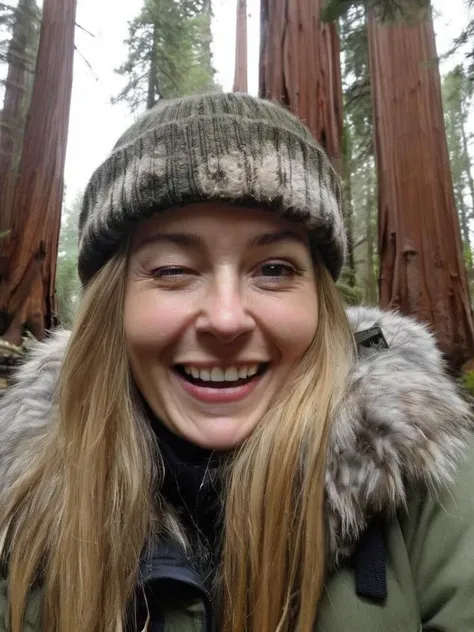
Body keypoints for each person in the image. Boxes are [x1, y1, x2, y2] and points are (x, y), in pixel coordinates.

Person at [0, 92, 473, 632]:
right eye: (174, 269)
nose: (226, 320)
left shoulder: (433, 482)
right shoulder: (17, 500)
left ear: (318, 302)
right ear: (113, 306)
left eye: (273, 269)